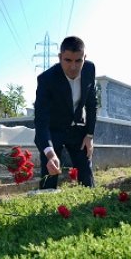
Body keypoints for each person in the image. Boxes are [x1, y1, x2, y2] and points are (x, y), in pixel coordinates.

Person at [34, 36, 97, 189]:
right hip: (53, 129)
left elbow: (91, 104)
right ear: (60, 57)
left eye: (78, 61)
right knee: (50, 174)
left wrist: (89, 135)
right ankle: (46, 207)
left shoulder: (90, 69)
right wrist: (50, 153)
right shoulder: (46, 79)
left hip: (77, 129)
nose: (73, 67)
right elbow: (41, 120)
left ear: (84, 58)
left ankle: (91, 209)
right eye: (68, 60)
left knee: (86, 175)